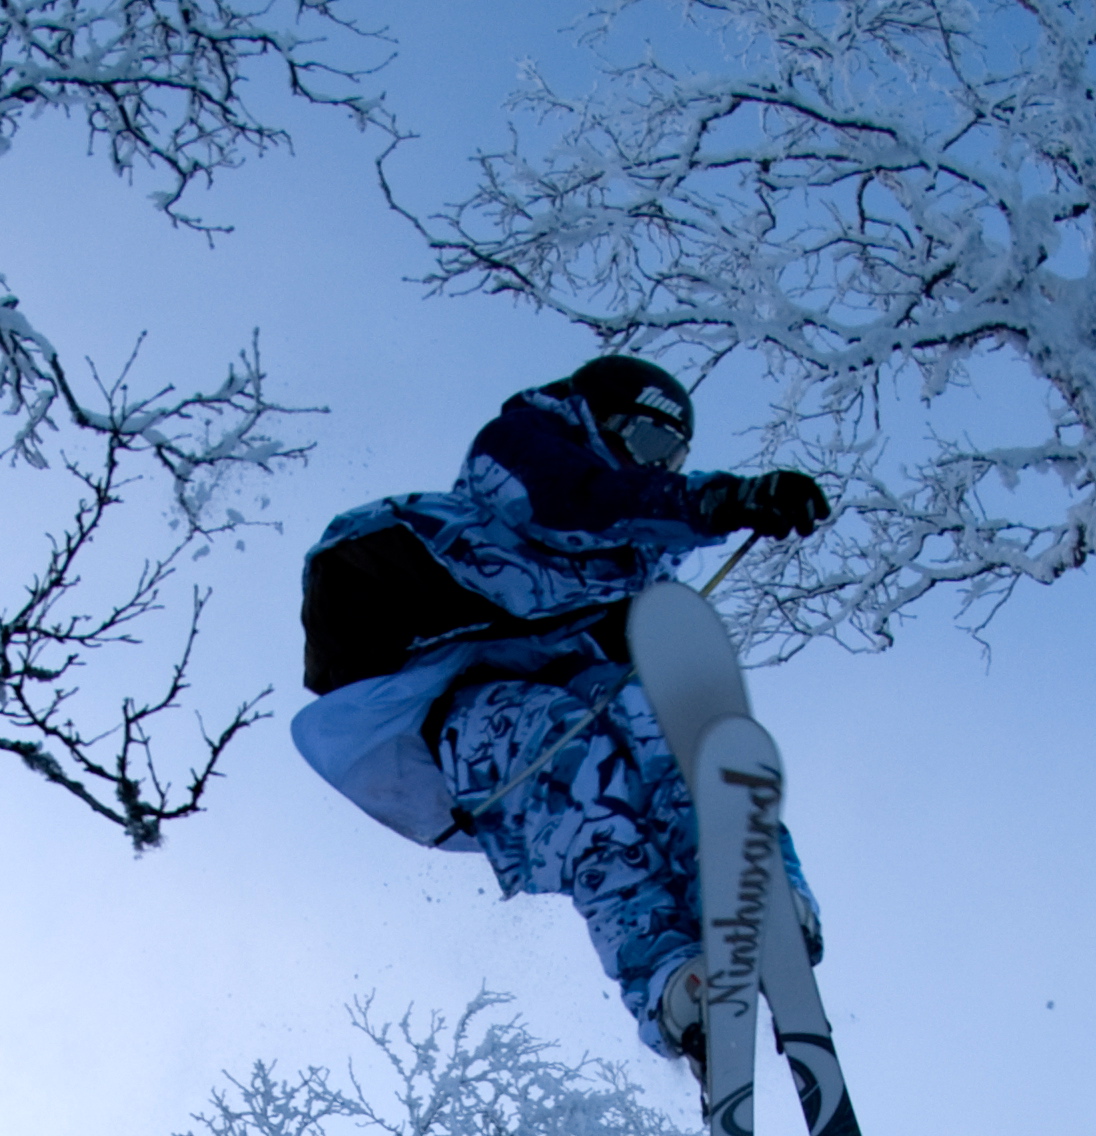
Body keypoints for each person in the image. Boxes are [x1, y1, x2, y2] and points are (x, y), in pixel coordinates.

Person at [292, 358, 829, 1060]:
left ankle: (740, 891)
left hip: (561, 678)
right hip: (436, 708)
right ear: (597, 420)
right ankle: (663, 969)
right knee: (581, 774)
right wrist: (716, 500)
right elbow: (569, 501)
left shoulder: (622, 577)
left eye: (672, 456)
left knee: (658, 725)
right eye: (646, 443)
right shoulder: (518, 455)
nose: (657, 464)